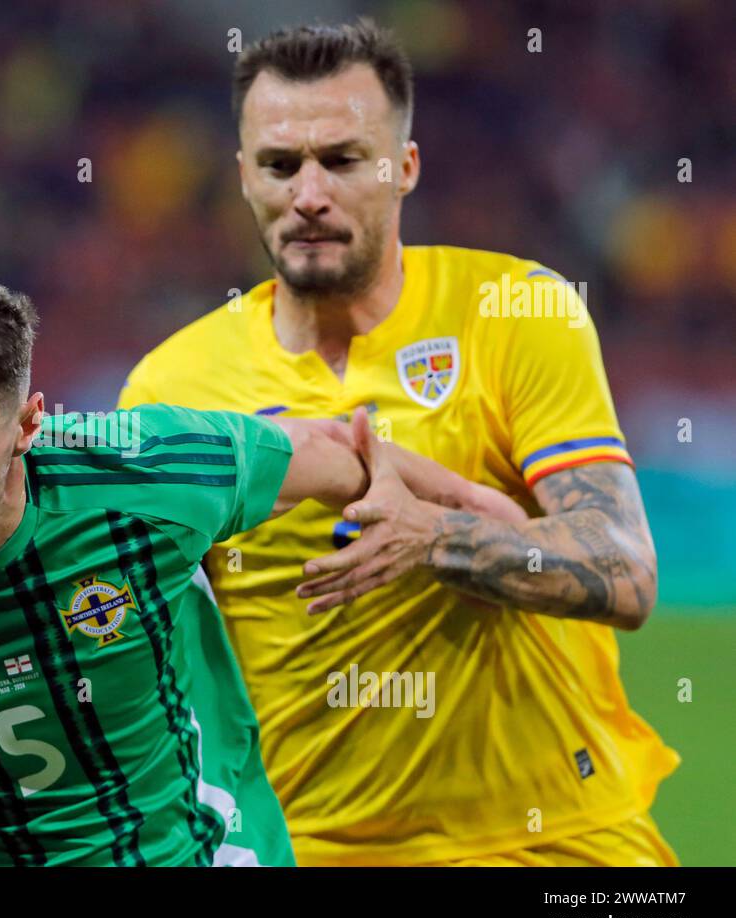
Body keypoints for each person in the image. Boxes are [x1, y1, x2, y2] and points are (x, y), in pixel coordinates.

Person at [118, 19, 678, 866]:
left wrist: (436, 535)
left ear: (403, 168)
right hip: (303, 848)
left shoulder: (516, 311)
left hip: (561, 842)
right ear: (243, 178)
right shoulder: (172, 387)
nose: (308, 192)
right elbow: (146, 665)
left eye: (342, 160)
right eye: (280, 165)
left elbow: (626, 573)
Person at [0, 266, 517, 866]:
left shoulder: (147, 477)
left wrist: (480, 516)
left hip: (186, 848)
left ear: (30, 424)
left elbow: (340, 452)